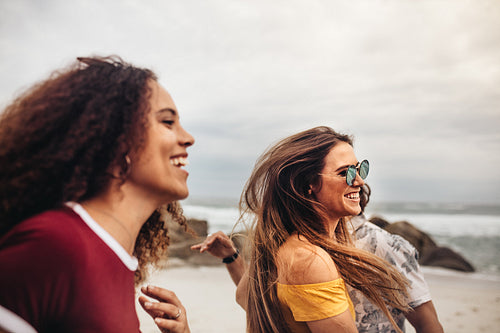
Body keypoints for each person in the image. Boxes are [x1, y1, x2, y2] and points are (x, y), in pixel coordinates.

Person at [0, 56, 194, 333]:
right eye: (167, 122)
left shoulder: (118, 259)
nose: (188, 138)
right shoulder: (56, 244)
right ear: (117, 137)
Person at [194, 126, 410, 332]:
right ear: (308, 184)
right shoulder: (310, 260)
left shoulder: (283, 245)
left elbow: (249, 299)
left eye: (360, 168)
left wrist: (231, 258)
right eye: (346, 172)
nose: (360, 181)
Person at [194, 174, 443, 333]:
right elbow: (260, 302)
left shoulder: (386, 245)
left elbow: (427, 324)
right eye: (344, 175)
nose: (356, 181)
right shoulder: (296, 246)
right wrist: (231, 258)